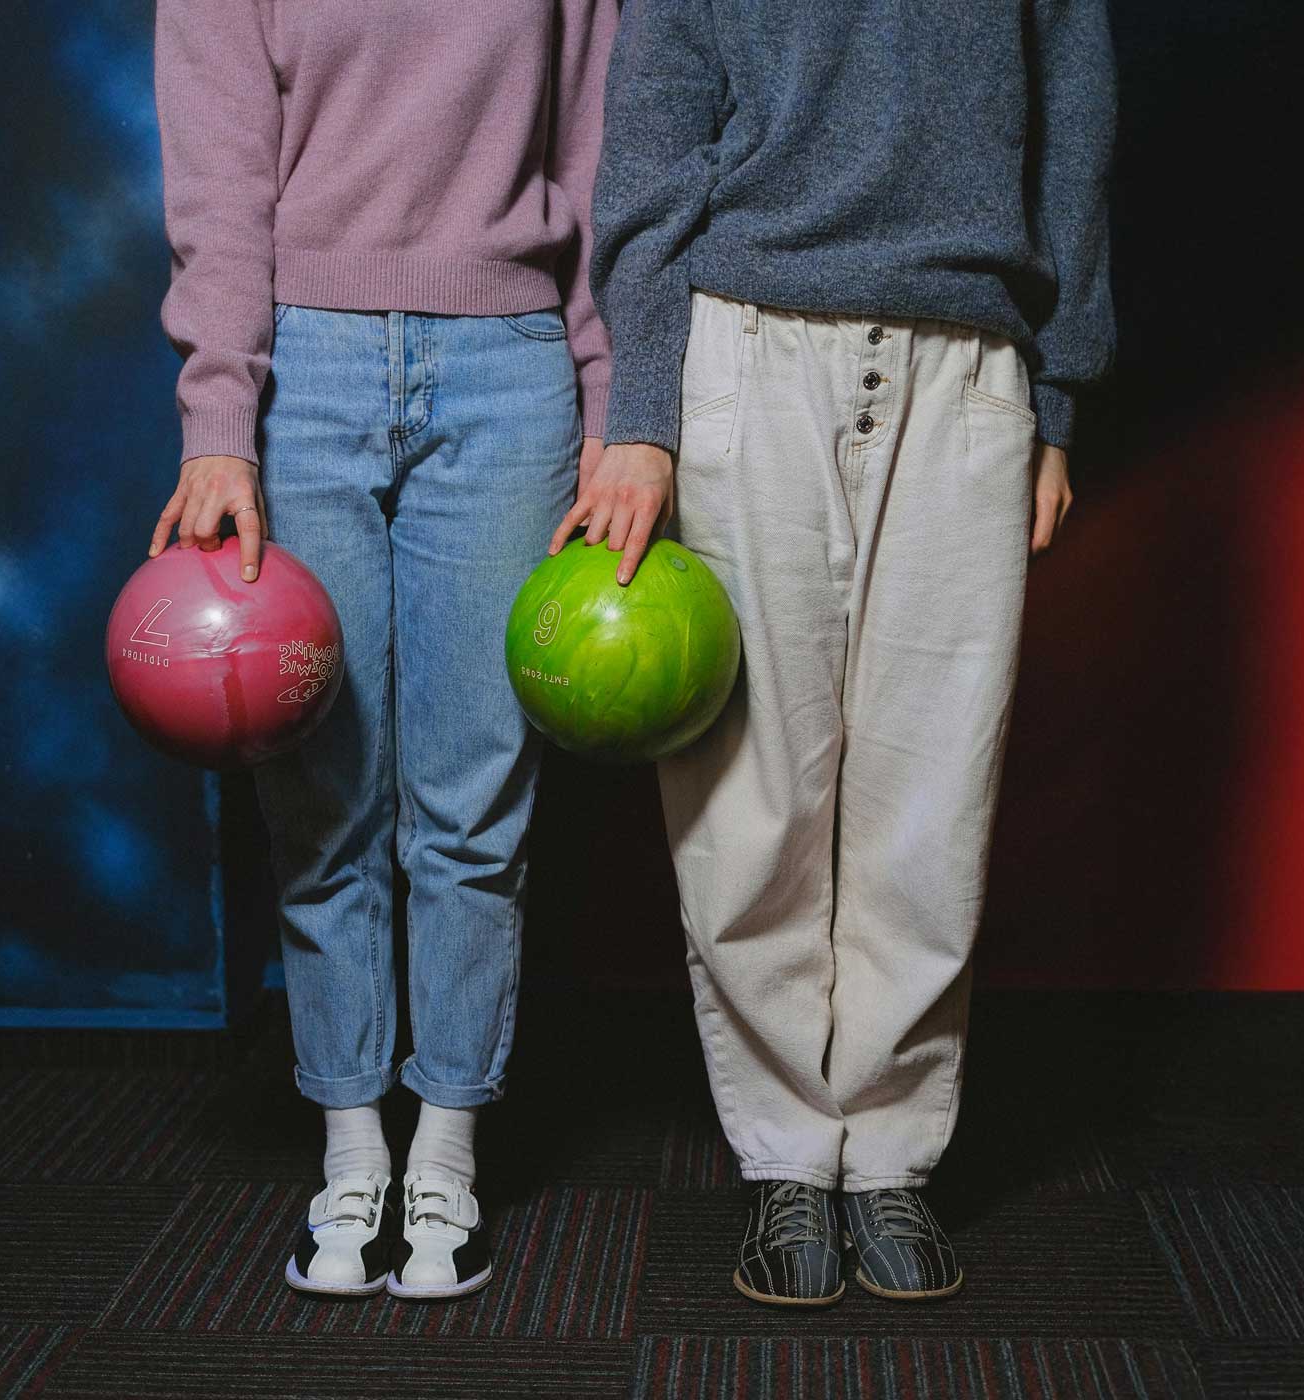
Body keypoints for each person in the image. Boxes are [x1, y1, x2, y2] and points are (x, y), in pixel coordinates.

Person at [564, 0, 1116, 1305]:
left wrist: (1063, 394)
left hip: (970, 355)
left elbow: (1077, 126)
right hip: (748, 343)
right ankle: (791, 1155)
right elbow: (649, 140)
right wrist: (641, 409)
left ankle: (891, 1162)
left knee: (930, 791)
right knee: (755, 795)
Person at [151, 1, 616, 1300]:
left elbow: (594, 160)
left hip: (508, 368)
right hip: (306, 369)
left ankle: (448, 1153)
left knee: (474, 801)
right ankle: (349, 1145)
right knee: (319, 798)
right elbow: (220, 185)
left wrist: (607, 399)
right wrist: (220, 427)